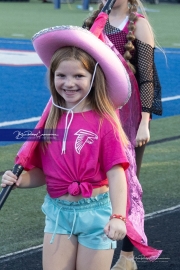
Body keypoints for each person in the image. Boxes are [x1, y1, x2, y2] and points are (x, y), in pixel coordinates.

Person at [1, 25, 132, 270]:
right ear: (52, 77)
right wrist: (22, 180)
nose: (69, 83)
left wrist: (118, 216)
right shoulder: (51, 120)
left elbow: (116, 175)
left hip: (97, 215)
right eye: (61, 75)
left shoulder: (104, 121)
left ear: (93, 78)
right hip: (59, 214)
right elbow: (47, 173)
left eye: (78, 76)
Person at [83, 0, 162, 269]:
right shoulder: (94, 19)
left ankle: (127, 257)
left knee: (128, 184)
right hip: (98, 111)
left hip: (129, 115)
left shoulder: (138, 24)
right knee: (96, 180)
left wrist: (145, 123)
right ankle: (92, 244)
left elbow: (148, 78)